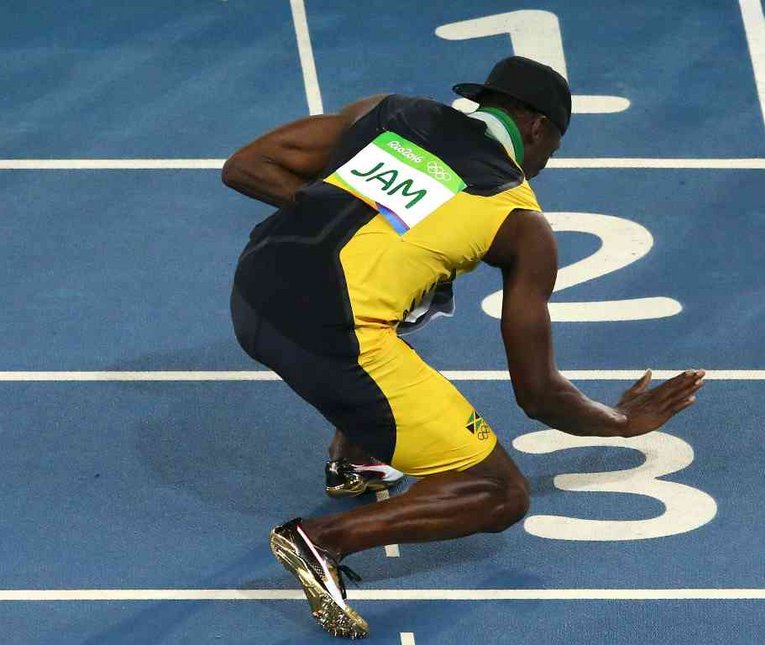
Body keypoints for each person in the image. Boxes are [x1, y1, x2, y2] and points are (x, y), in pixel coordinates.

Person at [222, 56, 705, 639]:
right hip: (328, 338)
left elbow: (249, 165)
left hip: (251, 294)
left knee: (412, 290)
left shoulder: (386, 114)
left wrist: (334, 214)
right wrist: (620, 419)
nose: (546, 163)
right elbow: (539, 395)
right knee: (499, 493)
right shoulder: (521, 222)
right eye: (553, 148)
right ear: (536, 128)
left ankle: (357, 461)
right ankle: (319, 540)